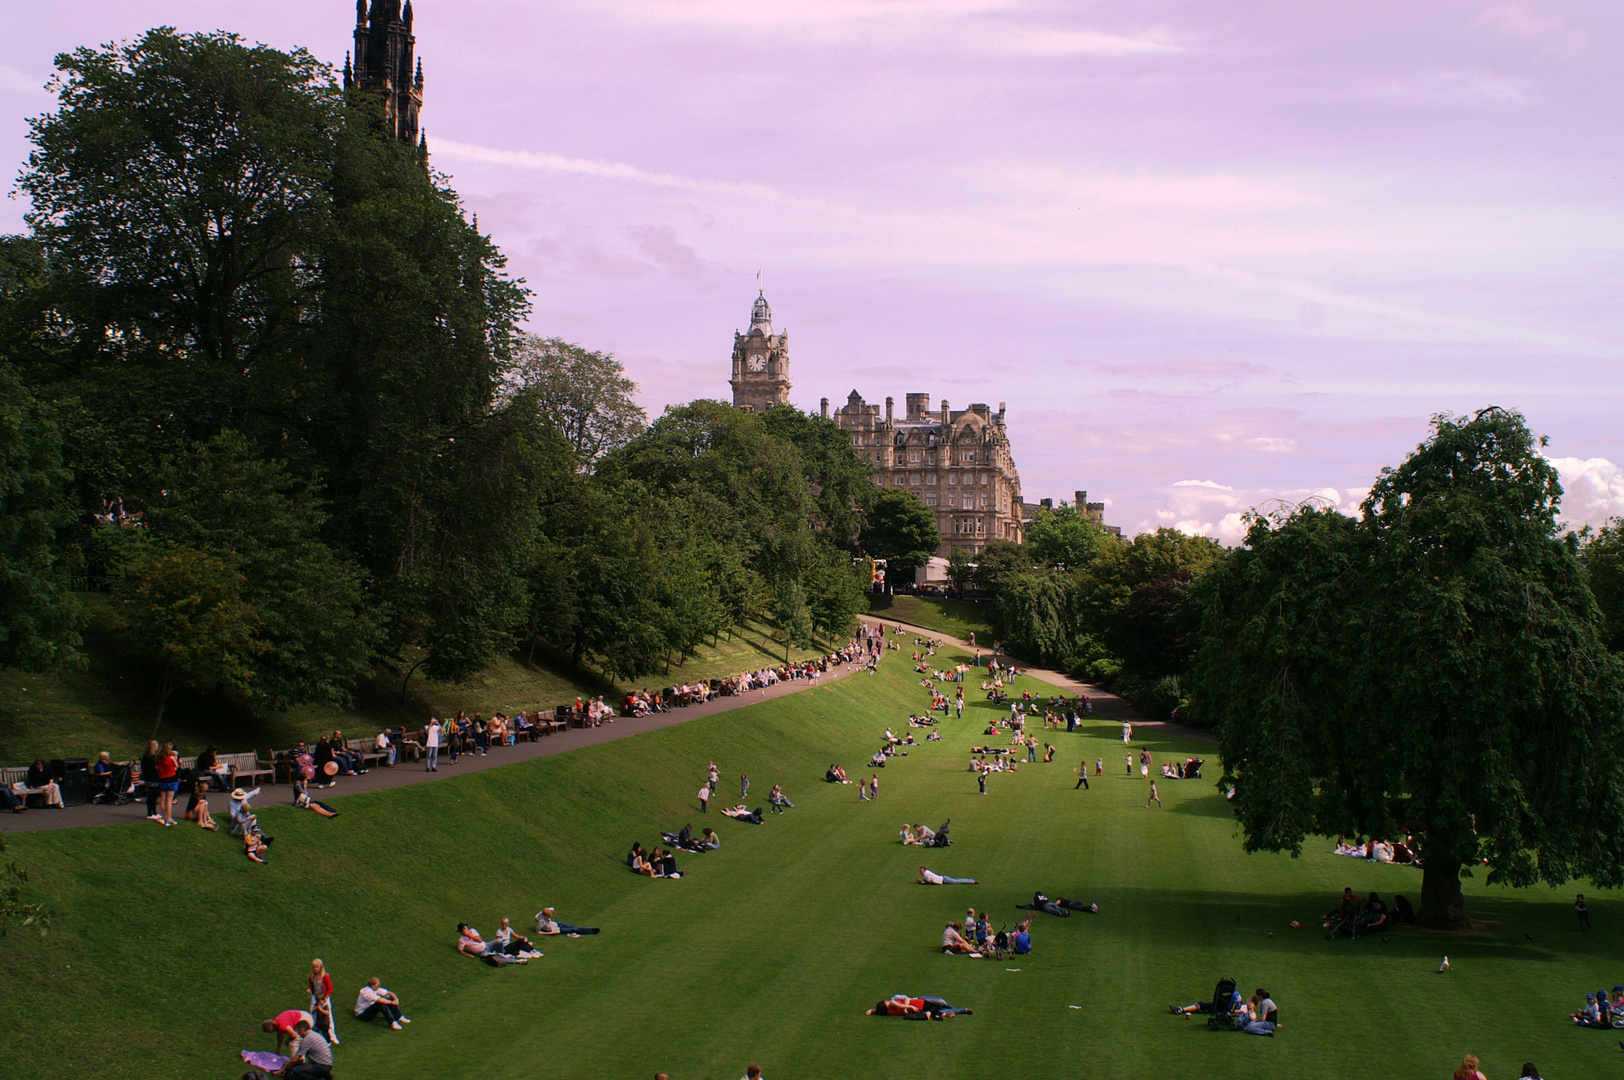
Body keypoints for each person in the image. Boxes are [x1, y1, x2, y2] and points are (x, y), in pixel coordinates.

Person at [457, 923, 531, 964]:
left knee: (499, 941)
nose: (465, 930)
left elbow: (479, 940)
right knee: (497, 957)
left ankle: (503, 953)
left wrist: (469, 935)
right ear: (461, 932)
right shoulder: (462, 940)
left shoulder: (472, 931)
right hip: (482, 952)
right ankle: (518, 961)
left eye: (465, 928)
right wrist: (467, 954)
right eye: (463, 929)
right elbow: (460, 950)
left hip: (486, 944)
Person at [866, 994, 973, 1019]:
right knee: (940, 1006)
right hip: (922, 1004)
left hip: (920, 1002)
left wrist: (906, 1008)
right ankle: (962, 1010)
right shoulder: (890, 1008)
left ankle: (950, 1011)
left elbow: (906, 998)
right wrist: (873, 1011)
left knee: (942, 1003)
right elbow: (880, 1010)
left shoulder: (893, 1003)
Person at [308, 959, 337, 1045]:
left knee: (328, 1017)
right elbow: (311, 987)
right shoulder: (311, 976)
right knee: (312, 1014)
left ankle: (332, 1036)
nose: (315, 969)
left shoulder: (325, 976)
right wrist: (309, 990)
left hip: (324, 997)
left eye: (317, 967)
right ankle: (313, 1036)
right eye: (314, 967)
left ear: (320, 967)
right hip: (315, 997)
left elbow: (330, 988)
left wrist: (326, 997)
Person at [1171, 985, 1244, 1016]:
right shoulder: (1241, 1003)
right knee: (1204, 1005)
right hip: (1225, 1008)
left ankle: (1181, 1009)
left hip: (1221, 1007)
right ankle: (1182, 1009)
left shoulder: (1237, 996)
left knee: (1202, 1004)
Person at [153, 744, 180, 825]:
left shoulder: (158, 759)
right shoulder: (171, 758)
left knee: (162, 799)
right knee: (169, 800)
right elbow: (176, 765)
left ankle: (164, 816)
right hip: (171, 779)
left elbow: (156, 768)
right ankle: (169, 817)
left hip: (162, 779)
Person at [535, 906, 600, 936]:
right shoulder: (541, 921)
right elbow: (538, 931)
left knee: (573, 927)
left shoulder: (541, 914)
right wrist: (548, 933)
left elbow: (551, 908)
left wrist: (548, 910)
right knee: (574, 929)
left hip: (557, 924)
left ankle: (590, 930)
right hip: (557, 929)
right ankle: (591, 931)